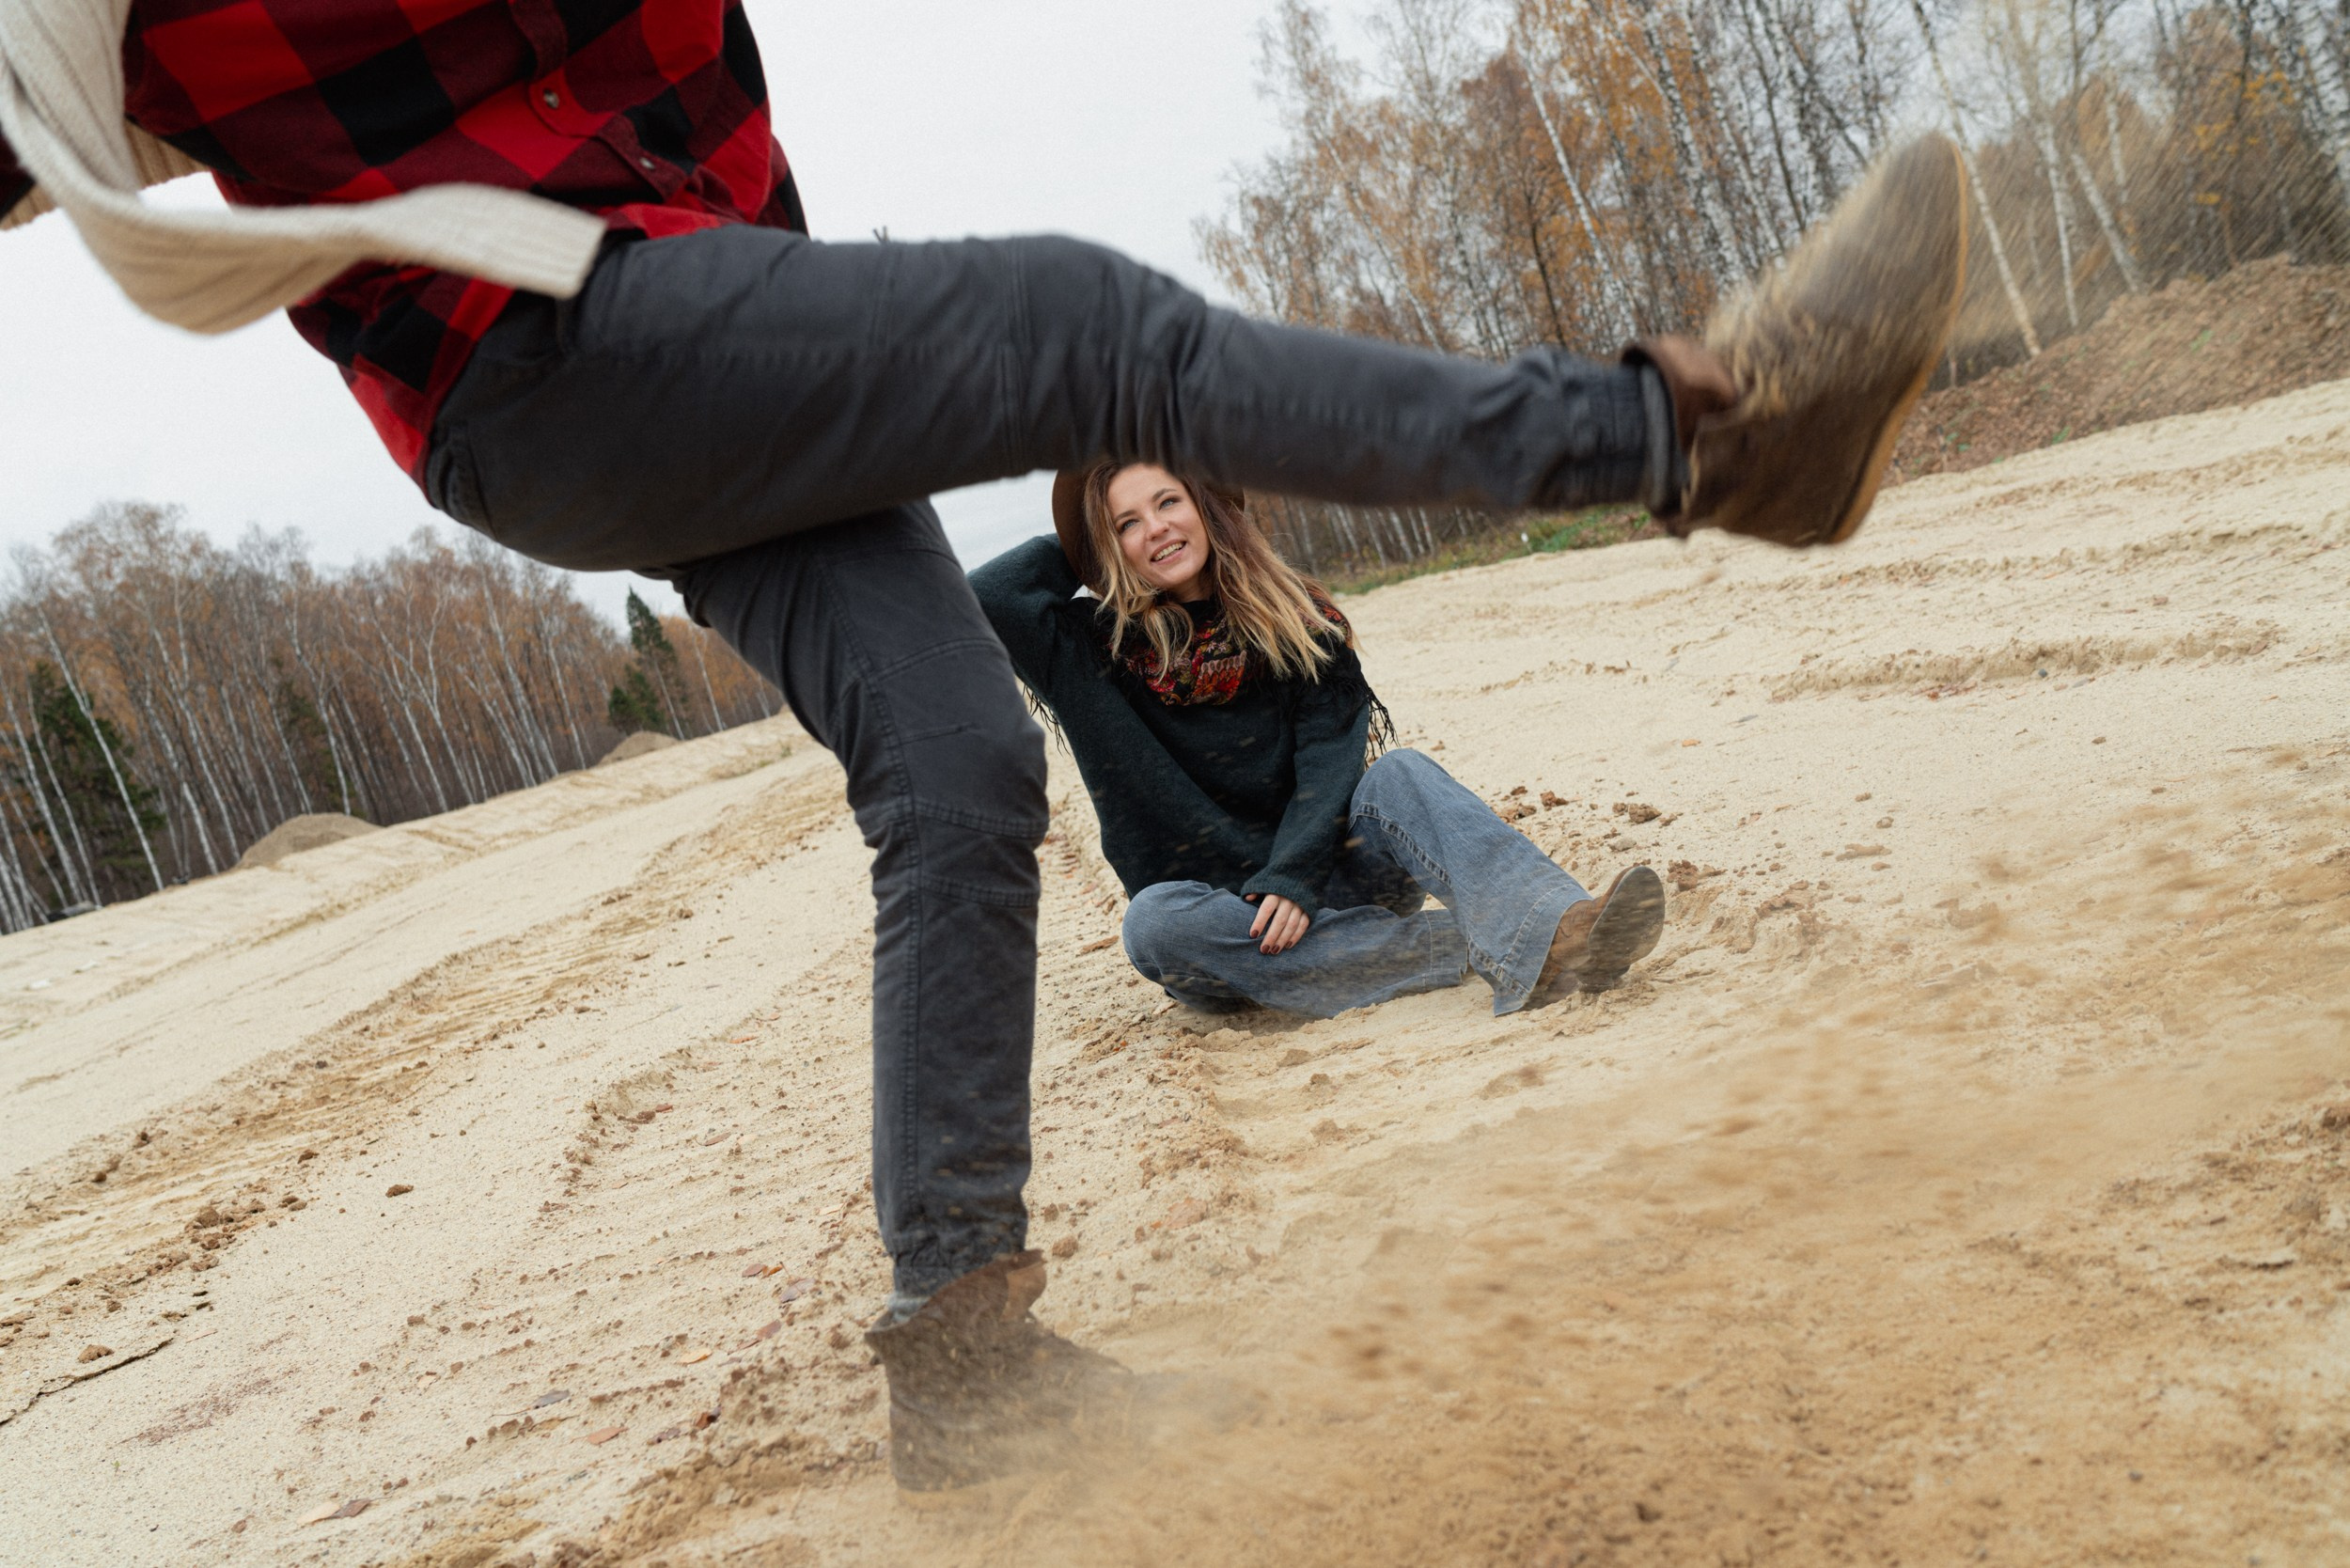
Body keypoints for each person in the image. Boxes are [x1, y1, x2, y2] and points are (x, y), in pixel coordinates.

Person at [0, 0, 1968, 1492]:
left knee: (954, 767)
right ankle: (1698, 443)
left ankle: (963, 1351)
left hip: (706, 321)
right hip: (540, 349)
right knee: (1082, 334)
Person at [974, 459, 1667, 1022]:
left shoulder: (1295, 618)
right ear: (1106, 545)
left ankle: (1556, 929)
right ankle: (1500, 939)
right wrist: (1082, 539)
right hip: (1229, 933)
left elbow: (1330, 758)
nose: (1156, 529)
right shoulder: (1092, 651)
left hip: (1333, 879)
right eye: (1128, 523)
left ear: (1205, 505)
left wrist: (1295, 876)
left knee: (1399, 773)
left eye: (1169, 502)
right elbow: (991, 597)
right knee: (1152, 925)